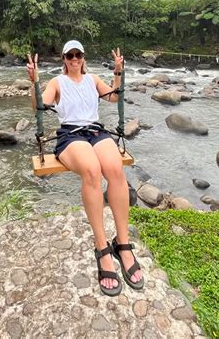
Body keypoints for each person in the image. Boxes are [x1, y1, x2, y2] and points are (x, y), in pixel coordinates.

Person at [27, 40, 143, 296]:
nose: (74, 59)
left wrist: (118, 72)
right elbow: (39, 105)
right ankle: (101, 247)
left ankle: (122, 243)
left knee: (115, 170)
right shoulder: (57, 82)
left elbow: (113, 97)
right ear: (64, 58)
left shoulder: (92, 79)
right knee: (91, 169)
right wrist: (33, 82)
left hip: (95, 131)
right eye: (70, 55)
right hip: (70, 136)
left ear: (83, 57)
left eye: (78, 54)